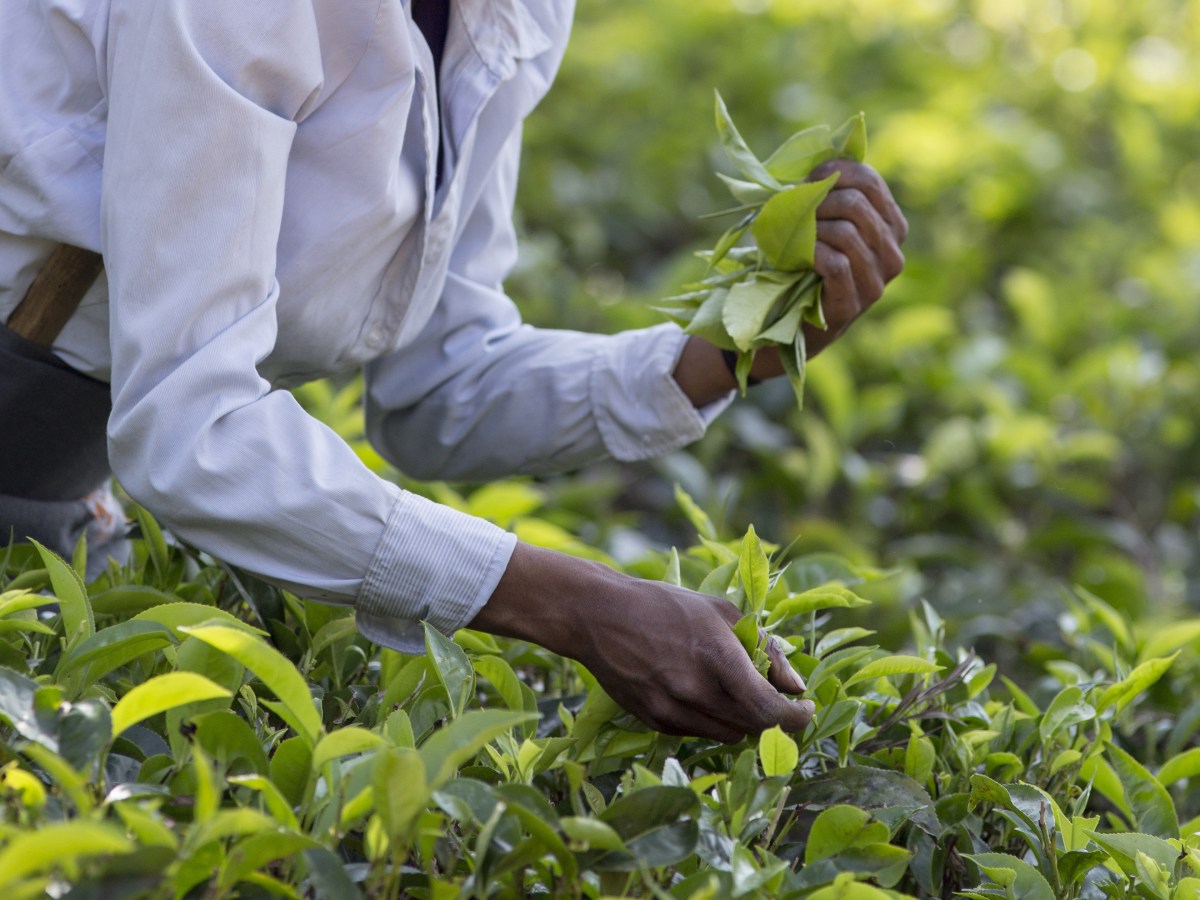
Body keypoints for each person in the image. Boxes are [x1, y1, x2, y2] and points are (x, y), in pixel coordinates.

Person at [0, 0, 906, 743]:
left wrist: (727, 353)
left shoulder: (507, 12)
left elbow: (438, 379)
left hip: (54, 485)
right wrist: (578, 605)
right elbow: (194, 429)